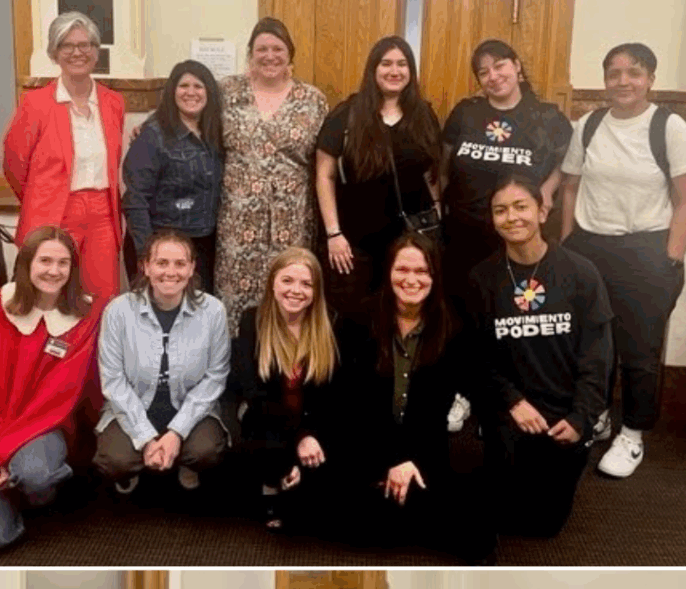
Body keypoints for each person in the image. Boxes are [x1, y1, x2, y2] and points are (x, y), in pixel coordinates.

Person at [561, 42, 686, 478]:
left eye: (633, 73)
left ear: (650, 79)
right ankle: (598, 415)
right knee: (590, 342)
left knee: (639, 351)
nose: (623, 81)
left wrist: (670, 260)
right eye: (614, 73)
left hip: (646, 251)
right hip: (589, 247)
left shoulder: (669, 127)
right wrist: (568, 243)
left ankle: (633, 434)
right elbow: (569, 186)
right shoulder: (588, 124)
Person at [467, 172, 612, 538]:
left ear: (542, 212)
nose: (512, 217)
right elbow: (476, 357)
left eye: (521, 207)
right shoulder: (481, 279)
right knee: (505, 518)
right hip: (512, 411)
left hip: (566, 412)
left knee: (544, 526)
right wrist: (512, 402)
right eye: (501, 210)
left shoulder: (581, 273)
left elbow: (598, 356)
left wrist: (581, 417)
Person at [340, 233, 494, 563]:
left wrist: (409, 460)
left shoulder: (452, 327)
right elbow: (355, 407)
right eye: (403, 270)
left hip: (423, 450)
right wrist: (393, 459)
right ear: (388, 271)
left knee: (477, 533)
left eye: (422, 272)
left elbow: (436, 411)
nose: (411, 280)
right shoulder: (358, 319)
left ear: (435, 276)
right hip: (369, 446)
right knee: (360, 528)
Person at [0, 226, 105, 554]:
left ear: (73, 269)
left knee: (36, 474)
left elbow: (54, 402)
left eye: (63, 263)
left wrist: (1, 453)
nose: (54, 271)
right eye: (45, 261)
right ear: (27, 263)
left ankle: (28, 489)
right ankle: (5, 493)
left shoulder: (84, 315)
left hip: (40, 428)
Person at [94, 230, 230, 495]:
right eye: (161, 263)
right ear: (145, 266)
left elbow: (215, 378)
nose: (171, 272)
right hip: (135, 405)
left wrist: (176, 433)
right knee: (115, 460)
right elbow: (113, 381)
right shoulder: (118, 311)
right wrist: (145, 438)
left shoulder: (213, 311)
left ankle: (183, 460)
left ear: (192, 268)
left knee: (206, 451)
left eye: (180, 264)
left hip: (189, 406)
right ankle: (138, 463)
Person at [215, 18, 328, 333]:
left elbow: (327, 160)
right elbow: (188, 115)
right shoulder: (226, 92)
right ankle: (238, 373)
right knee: (237, 301)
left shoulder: (312, 100)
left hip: (291, 221)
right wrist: (150, 124)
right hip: (238, 222)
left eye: (277, 48)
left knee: (290, 292)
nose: (269, 56)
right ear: (251, 53)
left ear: (289, 54)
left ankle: (287, 374)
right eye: (261, 49)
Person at [440, 39, 572, 308]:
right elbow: (443, 166)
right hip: (463, 236)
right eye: (483, 72)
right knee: (463, 313)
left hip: (520, 236)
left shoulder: (546, 117)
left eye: (499, 66)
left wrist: (547, 189)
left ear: (517, 66)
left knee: (512, 312)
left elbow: (569, 163)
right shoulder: (466, 113)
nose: (493, 76)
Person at [3, 11, 125, 299]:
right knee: (49, 297)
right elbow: (14, 165)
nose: (77, 52)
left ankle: (92, 347)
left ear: (97, 52)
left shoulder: (113, 103)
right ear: (54, 53)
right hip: (53, 212)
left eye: (85, 45)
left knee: (100, 298)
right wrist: (42, 197)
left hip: (102, 216)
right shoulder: (35, 103)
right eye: (67, 45)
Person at [316, 36, 441, 316]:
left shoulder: (424, 115)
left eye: (402, 64)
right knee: (355, 318)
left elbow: (432, 172)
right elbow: (325, 176)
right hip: (355, 243)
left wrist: (438, 215)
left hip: (412, 240)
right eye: (386, 64)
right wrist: (333, 233)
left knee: (407, 314)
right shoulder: (346, 114)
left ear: (411, 71)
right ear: (373, 69)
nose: (394, 71)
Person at [230, 248, 343, 530]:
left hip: (315, 424)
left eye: (307, 284)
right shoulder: (252, 321)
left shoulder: (332, 323)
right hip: (268, 423)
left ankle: (295, 477)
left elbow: (333, 399)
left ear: (317, 291)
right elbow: (256, 395)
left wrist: (310, 436)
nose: (296, 290)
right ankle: (273, 483)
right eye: (288, 280)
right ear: (272, 283)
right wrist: (298, 439)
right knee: (268, 443)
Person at [123, 60, 224, 294]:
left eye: (199, 86)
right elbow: (135, 199)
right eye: (183, 86)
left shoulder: (217, 133)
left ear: (209, 92)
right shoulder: (153, 136)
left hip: (202, 245)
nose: (191, 92)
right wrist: (146, 255)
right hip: (160, 245)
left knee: (195, 317)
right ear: (172, 92)